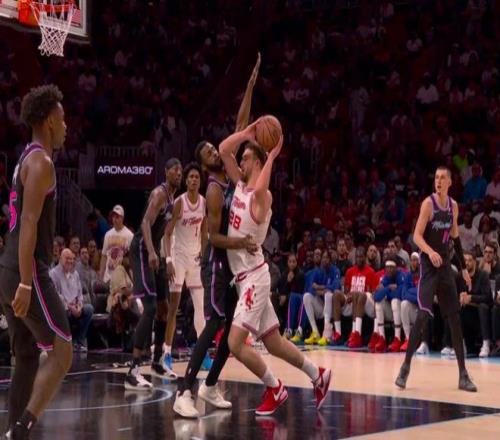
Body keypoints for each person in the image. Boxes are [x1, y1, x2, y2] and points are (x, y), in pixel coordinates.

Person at [221, 122, 331, 416]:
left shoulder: (263, 197)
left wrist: (271, 155)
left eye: (246, 158)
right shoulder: (240, 184)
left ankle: (274, 387)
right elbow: (223, 150)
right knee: (274, 343)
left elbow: (260, 188)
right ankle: (318, 375)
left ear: (257, 163)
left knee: (235, 343)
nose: (240, 161)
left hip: (253, 279)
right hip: (246, 277)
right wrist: (246, 134)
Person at [174, 54, 261, 418]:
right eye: (209, 151)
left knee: (232, 328)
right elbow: (212, 237)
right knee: (213, 324)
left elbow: (241, 127)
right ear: (204, 162)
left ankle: (210, 386)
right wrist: (241, 242)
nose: (214, 149)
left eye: (214, 146)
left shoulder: (231, 172)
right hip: (216, 262)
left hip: (233, 263)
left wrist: (250, 87)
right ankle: (184, 391)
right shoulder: (213, 189)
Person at [0, 85, 73, 439]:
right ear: (48, 121)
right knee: (63, 352)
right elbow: (28, 221)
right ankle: (21, 430)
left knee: (27, 356)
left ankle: (11, 432)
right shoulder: (42, 162)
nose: (66, 126)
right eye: (62, 119)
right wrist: (27, 283)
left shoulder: (24, 159)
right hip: (26, 269)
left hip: (8, 267)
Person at [395, 166, 476, 392]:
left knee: (455, 319)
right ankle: (405, 368)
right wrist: (430, 252)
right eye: (436, 178)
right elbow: (416, 236)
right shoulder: (428, 204)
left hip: (445, 268)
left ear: (450, 182)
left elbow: (455, 240)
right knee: (422, 316)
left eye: (442, 178)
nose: (438, 181)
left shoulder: (453, 207)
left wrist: (463, 269)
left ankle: (463, 375)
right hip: (429, 267)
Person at [124, 158, 182, 389]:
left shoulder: (173, 201)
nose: (179, 173)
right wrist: (150, 251)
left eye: (180, 170)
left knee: (164, 308)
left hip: (155, 251)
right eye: (175, 170)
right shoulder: (159, 194)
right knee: (149, 309)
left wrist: (167, 259)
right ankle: (133, 370)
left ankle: (157, 362)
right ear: (166, 172)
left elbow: (166, 233)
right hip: (141, 249)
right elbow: (146, 223)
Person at [164, 163, 209, 373]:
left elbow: (205, 232)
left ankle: (203, 353)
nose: (193, 180)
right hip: (179, 257)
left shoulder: (204, 202)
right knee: (173, 308)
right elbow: (167, 233)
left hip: (195, 259)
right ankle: (166, 352)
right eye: (190, 176)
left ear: (200, 181)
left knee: (200, 308)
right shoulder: (179, 203)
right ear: (186, 180)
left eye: (196, 177)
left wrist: (204, 255)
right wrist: (168, 260)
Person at [49, 249, 94, 352]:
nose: (70, 261)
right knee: (64, 312)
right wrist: (69, 307)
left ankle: (79, 342)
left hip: (75, 307)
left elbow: (80, 294)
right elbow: (56, 295)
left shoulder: (75, 274)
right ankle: (67, 342)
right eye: (67, 258)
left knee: (89, 309)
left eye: (72, 259)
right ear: (61, 259)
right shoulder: (53, 274)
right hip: (62, 308)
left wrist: (79, 305)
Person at [335, 247, 377, 348]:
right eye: (357, 257)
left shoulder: (371, 272)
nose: (359, 259)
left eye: (361, 257)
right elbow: (346, 291)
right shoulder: (349, 271)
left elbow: (372, 293)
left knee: (357, 295)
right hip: (351, 302)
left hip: (365, 303)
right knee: (336, 294)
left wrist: (354, 295)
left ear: (365, 257)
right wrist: (348, 295)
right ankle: (338, 333)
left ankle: (355, 333)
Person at [302, 251, 341, 346]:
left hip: (333, 308)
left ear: (330, 260)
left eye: (327, 258)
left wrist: (320, 287)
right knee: (306, 296)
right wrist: (319, 291)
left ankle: (326, 333)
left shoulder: (335, 271)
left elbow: (335, 286)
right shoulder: (318, 271)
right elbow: (311, 287)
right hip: (322, 307)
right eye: (323, 257)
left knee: (328, 294)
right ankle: (315, 332)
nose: (324, 260)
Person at [372, 259, 405, 352]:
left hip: (403, 312)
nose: (389, 270)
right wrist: (388, 288)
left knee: (395, 301)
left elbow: (399, 294)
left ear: (396, 268)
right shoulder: (386, 278)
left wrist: (385, 292)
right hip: (392, 312)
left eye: (391, 267)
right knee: (378, 303)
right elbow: (376, 297)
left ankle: (397, 338)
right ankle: (382, 338)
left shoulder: (401, 276)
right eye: (387, 267)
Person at [99, 205, 133, 283]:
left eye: (117, 217)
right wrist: (101, 275)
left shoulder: (129, 235)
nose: (114, 219)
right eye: (113, 217)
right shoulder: (107, 234)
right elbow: (104, 255)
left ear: (122, 218)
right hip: (108, 277)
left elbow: (132, 258)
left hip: (122, 278)